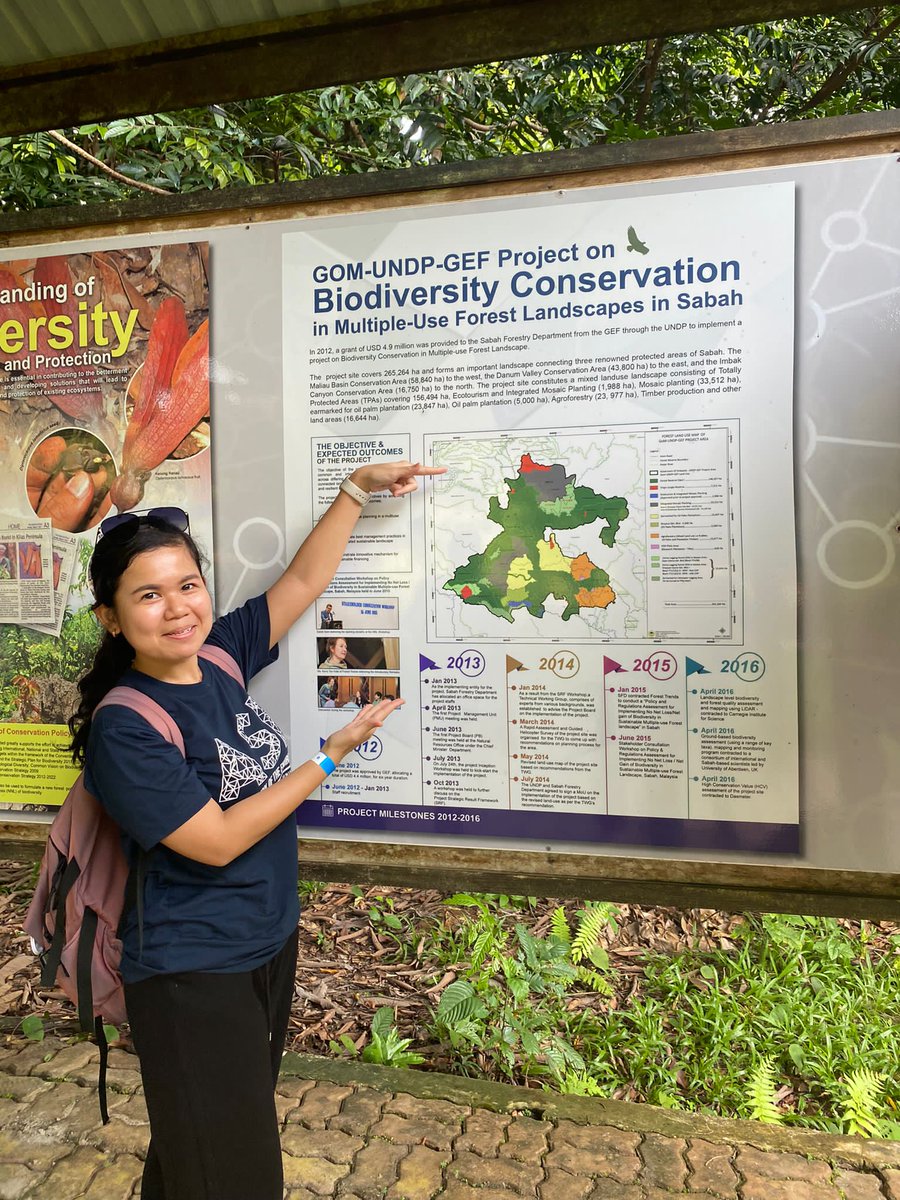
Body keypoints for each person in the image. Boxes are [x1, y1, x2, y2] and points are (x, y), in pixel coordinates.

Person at [67, 461, 442, 1200]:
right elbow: (216, 840)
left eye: (187, 585)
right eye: (148, 594)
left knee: (198, 1152)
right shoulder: (126, 725)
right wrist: (328, 759)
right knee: (236, 1176)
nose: (176, 608)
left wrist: (357, 492)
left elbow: (301, 586)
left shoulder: (216, 659)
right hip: (190, 972)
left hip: (264, 945)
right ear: (111, 616)